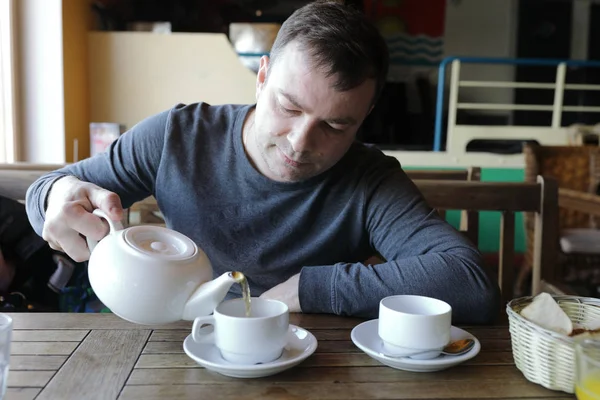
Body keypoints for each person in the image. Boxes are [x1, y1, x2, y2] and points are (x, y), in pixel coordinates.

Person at [26, 0, 500, 323]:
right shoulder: (178, 136)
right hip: (178, 347)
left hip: (310, 362)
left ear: (365, 116)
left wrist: (310, 290)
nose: (299, 142)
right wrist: (56, 195)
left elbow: (470, 282)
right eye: (289, 107)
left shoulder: (370, 179)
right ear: (263, 75)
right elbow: (48, 190)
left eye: (336, 126)